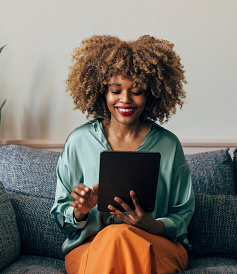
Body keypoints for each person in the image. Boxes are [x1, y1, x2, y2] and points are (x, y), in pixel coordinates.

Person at [51, 35, 195, 274]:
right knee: (115, 239)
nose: (125, 100)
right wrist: (80, 211)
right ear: (101, 93)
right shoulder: (79, 141)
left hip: (155, 244)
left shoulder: (168, 145)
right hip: (90, 247)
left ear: (150, 95)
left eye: (136, 91)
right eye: (116, 90)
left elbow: (182, 215)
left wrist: (152, 224)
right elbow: (61, 216)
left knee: (120, 238)